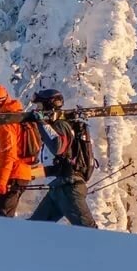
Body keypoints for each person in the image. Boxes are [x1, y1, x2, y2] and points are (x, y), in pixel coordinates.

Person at [27, 88, 98, 228]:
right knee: (34, 228)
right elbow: (58, 163)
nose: (37, 109)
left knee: (89, 231)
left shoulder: (61, 125)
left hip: (68, 188)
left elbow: (58, 147)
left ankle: (107, 250)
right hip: (57, 189)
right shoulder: (55, 126)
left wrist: (41, 123)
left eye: (39, 106)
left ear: (49, 105)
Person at [0, 83, 43, 217]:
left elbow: (8, 155)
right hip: (14, 174)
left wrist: (1, 181)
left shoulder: (5, 123)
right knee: (2, 218)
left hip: (13, 177)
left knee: (1, 221)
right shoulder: (8, 118)